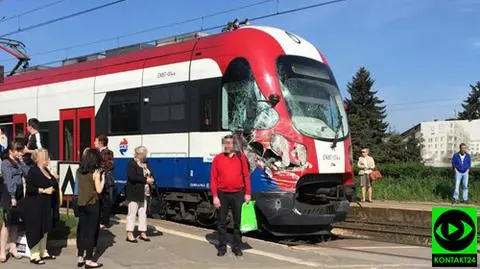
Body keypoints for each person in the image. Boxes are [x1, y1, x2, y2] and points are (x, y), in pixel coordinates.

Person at [210, 135, 251, 257]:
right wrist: (215, 196)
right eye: (225, 143)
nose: (227, 145)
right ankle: (222, 247)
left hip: (238, 193)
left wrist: (248, 193)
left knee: (238, 222)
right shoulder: (217, 159)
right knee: (221, 222)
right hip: (222, 193)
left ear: (234, 145)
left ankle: (237, 247)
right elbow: (213, 178)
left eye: (230, 143)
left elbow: (246, 176)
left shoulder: (241, 157)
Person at [22, 149, 57, 265]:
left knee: (44, 227)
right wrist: (44, 190)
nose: (48, 159)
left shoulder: (46, 170)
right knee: (36, 228)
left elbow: (52, 183)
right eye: (46, 157)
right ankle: (34, 255)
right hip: (34, 205)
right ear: (40, 159)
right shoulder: (33, 171)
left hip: (45, 205)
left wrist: (54, 178)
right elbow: (30, 188)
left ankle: (43, 251)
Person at [0, 140, 28, 263]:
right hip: (9, 193)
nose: (20, 152)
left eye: (21, 150)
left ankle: (13, 247)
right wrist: (12, 196)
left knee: (15, 222)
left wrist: (21, 162)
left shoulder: (19, 162)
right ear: (11, 151)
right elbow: (8, 179)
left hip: (20, 192)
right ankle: (2, 251)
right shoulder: (6, 163)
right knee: (6, 223)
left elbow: (27, 174)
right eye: (18, 150)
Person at [76, 148, 105, 269]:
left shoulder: (79, 171)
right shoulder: (95, 172)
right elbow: (99, 190)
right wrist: (102, 179)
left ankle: (80, 256)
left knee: (82, 230)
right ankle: (89, 259)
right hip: (93, 204)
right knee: (91, 232)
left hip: (81, 203)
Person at [126, 146, 154, 243]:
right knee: (132, 213)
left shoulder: (145, 164)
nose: (145, 157)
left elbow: (150, 173)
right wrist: (146, 180)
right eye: (144, 155)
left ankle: (143, 232)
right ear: (139, 154)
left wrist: (151, 178)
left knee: (143, 213)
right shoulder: (131, 163)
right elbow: (132, 177)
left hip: (144, 192)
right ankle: (130, 233)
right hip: (134, 192)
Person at [94, 135, 114, 230]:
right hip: (101, 179)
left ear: (101, 142)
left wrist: (97, 168)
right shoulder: (100, 152)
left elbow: (108, 166)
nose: (94, 143)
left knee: (104, 201)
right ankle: (101, 220)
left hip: (104, 180)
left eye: (96, 141)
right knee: (102, 200)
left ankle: (103, 222)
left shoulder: (106, 153)